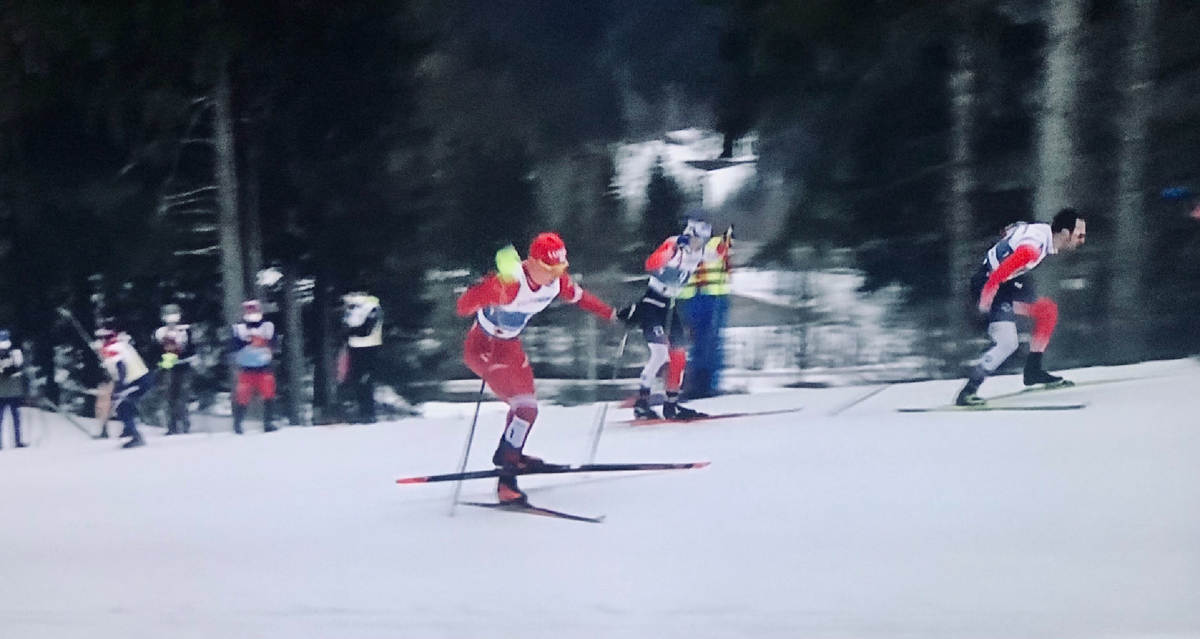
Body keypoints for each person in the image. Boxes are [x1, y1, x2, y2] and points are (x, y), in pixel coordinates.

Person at [456, 232, 616, 504]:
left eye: (560, 269)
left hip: (509, 345)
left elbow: (581, 297)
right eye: (549, 269)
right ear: (531, 263)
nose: (555, 275)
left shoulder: (555, 284)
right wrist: (481, 291)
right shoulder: (509, 285)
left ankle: (509, 455)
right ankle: (506, 482)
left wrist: (611, 314)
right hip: (484, 346)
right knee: (526, 408)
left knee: (525, 408)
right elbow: (462, 307)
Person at [956, 208, 1088, 406]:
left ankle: (1033, 370)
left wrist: (1009, 233)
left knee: (1047, 310)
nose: (1082, 241)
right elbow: (997, 276)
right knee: (1007, 343)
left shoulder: (1042, 232)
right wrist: (985, 305)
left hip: (1005, 283)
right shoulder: (1032, 249)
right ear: (1064, 233)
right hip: (991, 284)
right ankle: (968, 392)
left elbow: (1014, 229)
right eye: (1079, 235)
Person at [623, 216, 730, 420]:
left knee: (679, 355)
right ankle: (641, 403)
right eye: (698, 239)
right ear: (690, 234)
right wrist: (672, 251)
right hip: (652, 304)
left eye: (704, 241)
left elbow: (715, 256)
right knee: (660, 354)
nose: (700, 244)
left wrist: (724, 245)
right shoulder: (674, 244)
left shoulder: (699, 251)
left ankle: (671, 405)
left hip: (669, 307)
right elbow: (651, 264)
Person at [678, 228, 733, 399]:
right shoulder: (683, 246)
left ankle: (707, 385)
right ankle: (695, 383)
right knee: (696, 343)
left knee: (710, 342)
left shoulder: (716, 243)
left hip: (713, 296)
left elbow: (720, 253)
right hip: (692, 298)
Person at [97, 327, 154, 449]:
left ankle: (135, 435)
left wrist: (121, 386)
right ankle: (128, 429)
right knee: (122, 403)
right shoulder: (122, 345)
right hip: (141, 378)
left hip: (136, 381)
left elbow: (121, 367)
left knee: (122, 405)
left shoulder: (112, 349)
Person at [230, 299, 278, 434]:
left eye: (254, 310)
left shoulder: (268, 326)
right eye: (249, 310)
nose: (252, 313)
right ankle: (238, 424)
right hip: (246, 368)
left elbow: (274, 343)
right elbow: (232, 346)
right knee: (242, 396)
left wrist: (263, 343)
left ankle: (268, 422)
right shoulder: (238, 328)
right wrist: (248, 342)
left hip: (264, 366)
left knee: (268, 394)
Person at [154, 304, 195, 435]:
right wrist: (162, 362)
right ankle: (172, 426)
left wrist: (183, 355)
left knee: (182, 397)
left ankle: (185, 424)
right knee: (169, 396)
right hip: (168, 367)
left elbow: (192, 348)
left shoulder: (186, 330)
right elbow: (156, 350)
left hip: (184, 366)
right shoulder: (160, 332)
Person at [341, 292, 382, 423]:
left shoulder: (372, 308)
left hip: (369, 348)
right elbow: (345, 327)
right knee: (357, 379)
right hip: (354, 348)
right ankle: (363, 411)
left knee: (365, 379)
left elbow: (366, 329)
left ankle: (368, 412)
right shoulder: (353, 309)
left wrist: (351, 332)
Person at [0, 329, 27, 449]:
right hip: (15, 390)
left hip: (1, 391)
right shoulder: (15, 352)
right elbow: (20, 366)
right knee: (16, 418)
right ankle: (18, 441)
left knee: (0, 418)